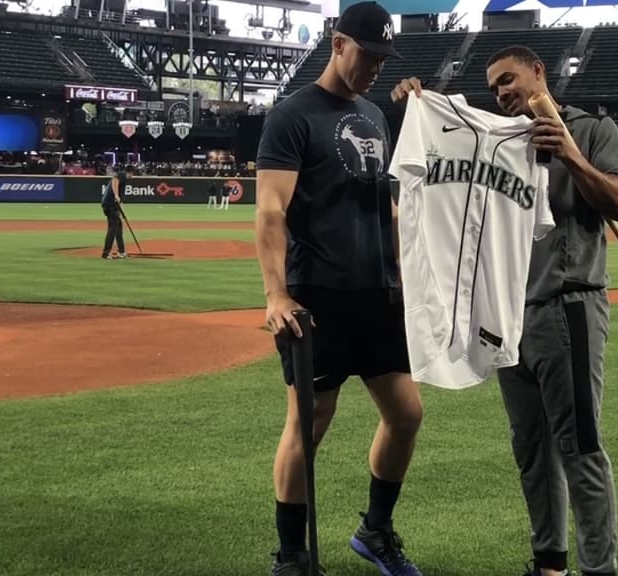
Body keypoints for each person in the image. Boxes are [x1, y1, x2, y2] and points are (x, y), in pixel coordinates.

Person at [391, 45, 618, 576]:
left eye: (509, 79)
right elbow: (445, 148)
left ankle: (600, 569)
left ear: (538, 72)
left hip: (568, 306)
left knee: (578, 446)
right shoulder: (495, 139)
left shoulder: (593, 130)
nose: (501, 92)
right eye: (495, 86)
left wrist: (569, 153)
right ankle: (550, 563)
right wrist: (418, 102)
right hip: (507, 314)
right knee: (531, 449)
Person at [254, 3, 423, 576]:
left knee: (406, 414)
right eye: (368, 54)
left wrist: (406, 274)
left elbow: (389, 207)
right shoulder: (292, 115)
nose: (375, 66)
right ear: (337, 43)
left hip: (377, 294)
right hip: (317, 296)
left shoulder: (374, 115)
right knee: (309, 422)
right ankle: (292, 556)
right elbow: (271, 212)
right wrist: (276, 295)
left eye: (383, 58)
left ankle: (375, 530)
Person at [101, 165, 133, 259]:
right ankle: (106, 253)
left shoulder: (123, 177)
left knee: (118, 227)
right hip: (110, 205)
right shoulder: (122, 175)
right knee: (113, 228)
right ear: (130, 172)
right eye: (132, 174)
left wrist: (121, 207)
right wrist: (116, 195)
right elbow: (115, 181)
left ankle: (121, 251)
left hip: (112, 205)